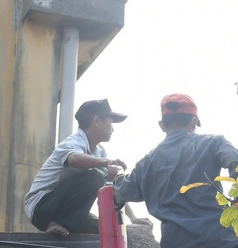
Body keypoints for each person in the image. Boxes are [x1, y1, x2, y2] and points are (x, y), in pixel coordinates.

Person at [113, 93, 238, 248]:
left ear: (162, 125)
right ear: (196, 121)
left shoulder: (149, 160)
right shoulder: (213, 142)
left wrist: (117, 175)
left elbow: (125, 191)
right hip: (222, 241)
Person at [24, 98, 149, 236]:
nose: (113, 129)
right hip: (42, 207)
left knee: (106, 229)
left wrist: (132, 217)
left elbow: (113, 187)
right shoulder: (73, 142)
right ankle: (55, 223)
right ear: (96, 121)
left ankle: (62, 225)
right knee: (96, 176)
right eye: (110, 123)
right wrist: (105, 162)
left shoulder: (99, 152)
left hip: (64, 210)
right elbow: (74, 159)